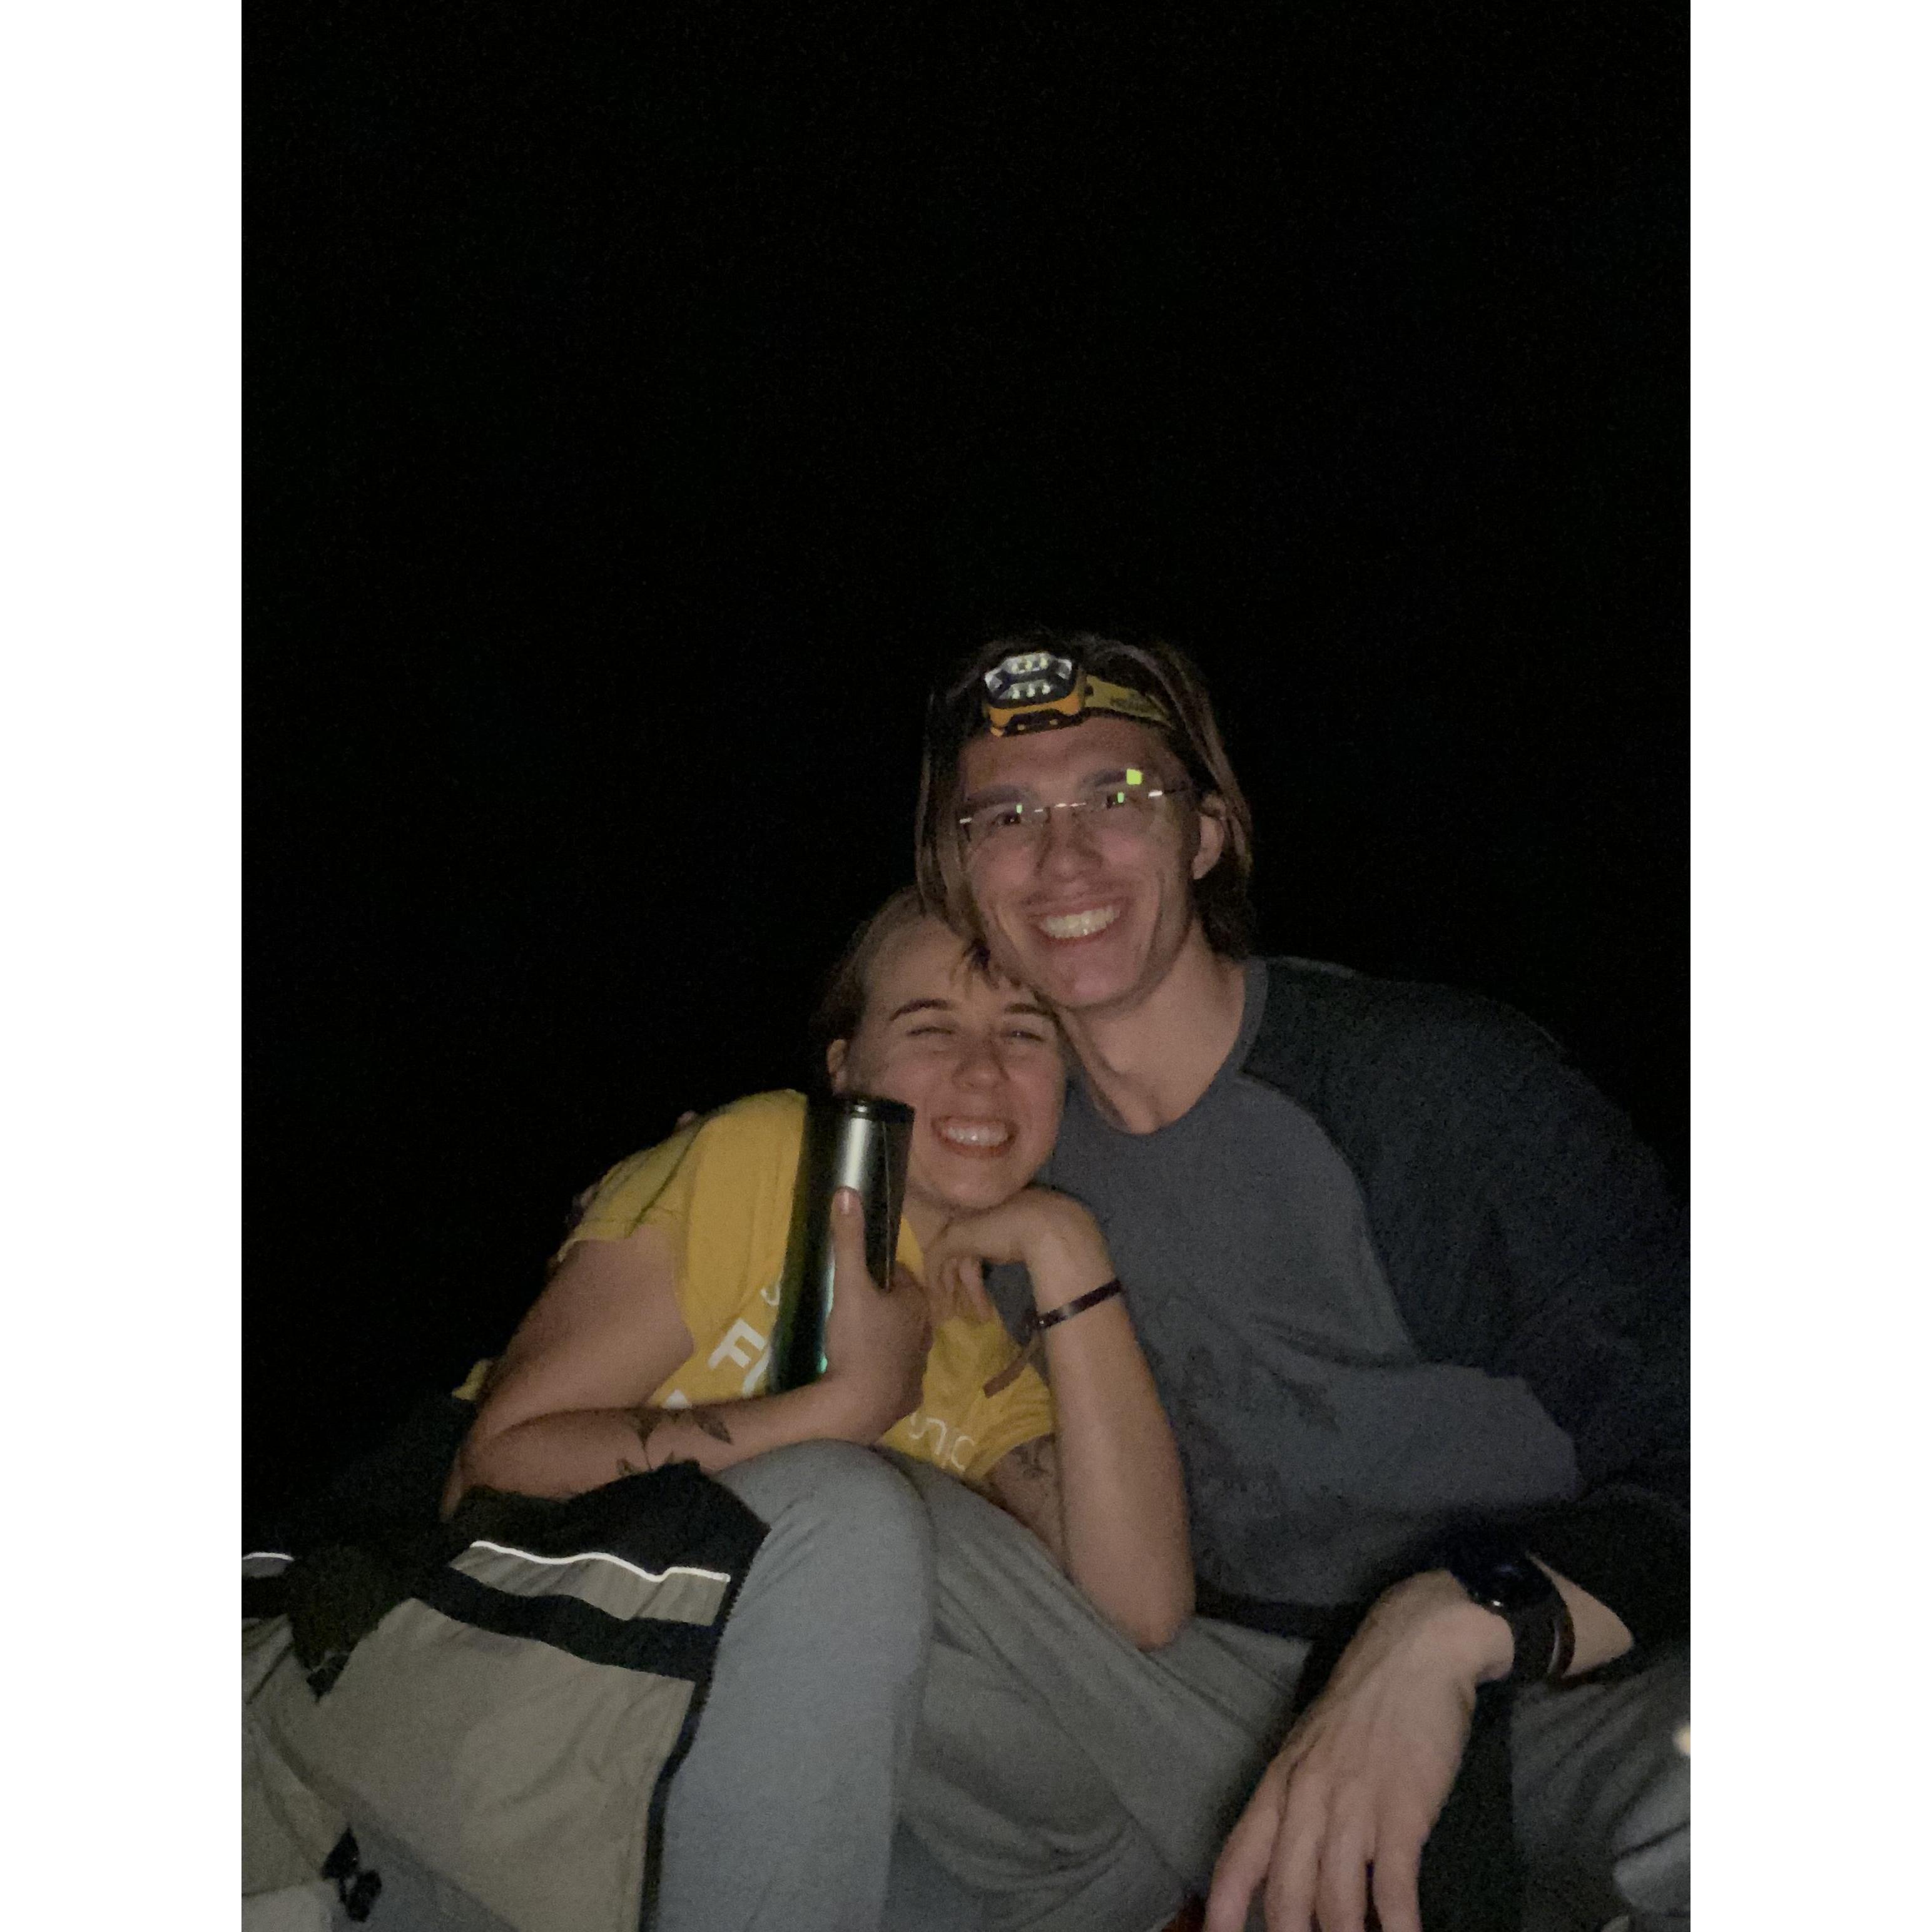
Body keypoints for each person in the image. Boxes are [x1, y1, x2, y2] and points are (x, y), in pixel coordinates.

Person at [898, 630, 1689, 1932]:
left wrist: (1455, 1617)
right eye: (1006, 818)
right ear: (960, 875)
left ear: (1206, 834)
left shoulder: (1423, 1092)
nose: (1062, 857)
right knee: (845, 1543)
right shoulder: (1003, 1155)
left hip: (1549, 1669)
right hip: (1209, 1695)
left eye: (1117, 796)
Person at [347, 889, 1187, 1932]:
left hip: (698, 1737)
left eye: (1026, 1033)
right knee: (849, 1512)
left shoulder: (985, 1337)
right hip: (512, 1652)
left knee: (1127, 1848)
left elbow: (1143, 1610)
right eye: (929, 1029)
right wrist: (846, 1405)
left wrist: (1069, 1247)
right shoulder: (767, 1161)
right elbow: (498, 1464)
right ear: (845, 1066)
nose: (982, 1073)